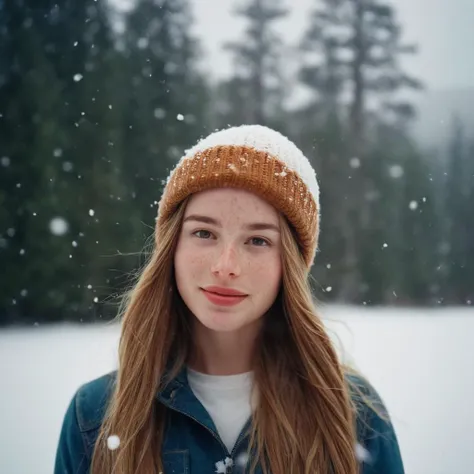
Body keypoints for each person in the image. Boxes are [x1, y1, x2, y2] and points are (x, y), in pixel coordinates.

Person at [54, 125, 404, 474]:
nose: (226, 266)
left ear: (291, 265)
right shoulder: (95, 416)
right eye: (204, 233)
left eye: (258, 241)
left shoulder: (353, 414)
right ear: (172, 247)